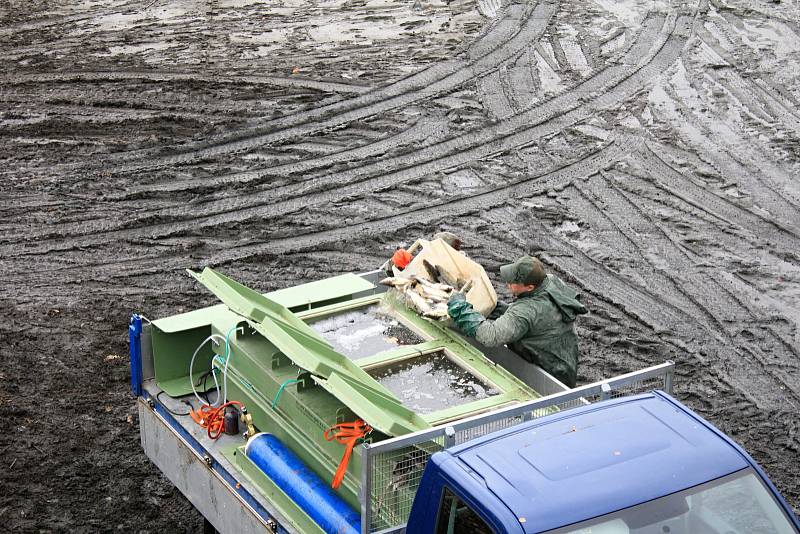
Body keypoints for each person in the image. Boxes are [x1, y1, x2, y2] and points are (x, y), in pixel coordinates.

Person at [447, 255, 587, 387]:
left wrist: (460, 309)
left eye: (513, 282)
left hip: (548, 371)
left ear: (530, 287)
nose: (508, 283)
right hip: (565, 357)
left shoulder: (524, 311)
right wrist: (497, 308)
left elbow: (490, 336)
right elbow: (538, 316)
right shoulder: (550, 281)